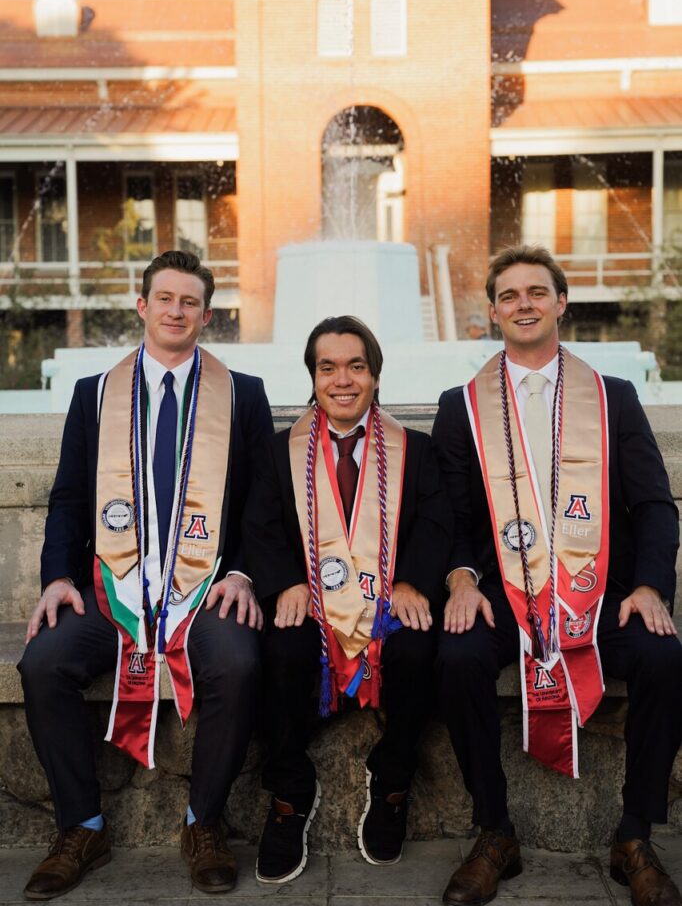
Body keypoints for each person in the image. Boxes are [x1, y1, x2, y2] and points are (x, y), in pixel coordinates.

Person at [18, 250, 273, 900]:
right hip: (114, 592)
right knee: (44, 662)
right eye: (165, 298)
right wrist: (57, 577)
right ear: (142, 306)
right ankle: (82, 825)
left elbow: (262, 502)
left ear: (206, 315)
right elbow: (72, 496)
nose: (176, 311)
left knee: (240, 663)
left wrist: (243, 573)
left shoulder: (243, 395)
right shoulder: (96, 393)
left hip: (205, 589)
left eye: (190, 302)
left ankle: (204, 822)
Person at [432, 244, 682, 906]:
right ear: (492, 312)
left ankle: (634, 837)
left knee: (663, 657)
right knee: (456, 657)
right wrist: (460, 577)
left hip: (598, 596)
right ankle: (494, 833)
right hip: (502, 599)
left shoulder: (613, 398)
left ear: (561, 303)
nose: (524, 304)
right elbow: (452, 516)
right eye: (509, 295)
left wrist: (651, 587)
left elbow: (654, 504)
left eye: (537, 292)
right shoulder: (460, 407)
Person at [243, 315, 451, 884]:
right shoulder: (276, 452)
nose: (342, 379)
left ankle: (391, 780)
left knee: (415, 651)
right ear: (311, 376)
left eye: (355, 366)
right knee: (280, 650)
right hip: (309, 601)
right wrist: (285, 581)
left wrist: (412, 581)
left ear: (375, 376)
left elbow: (435, 522)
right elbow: (258, 525)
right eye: (327, 366)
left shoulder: (417, 450)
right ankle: (289, 791)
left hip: (387, 604)